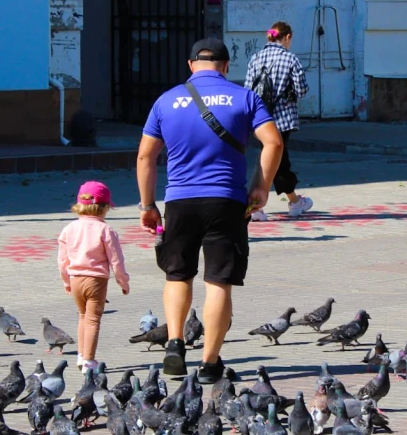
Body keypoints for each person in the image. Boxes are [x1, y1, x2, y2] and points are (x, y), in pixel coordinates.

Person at [136, 37, 283, 383]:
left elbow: (146, 156)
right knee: (218, 282)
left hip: (180, 202)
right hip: (227, 201)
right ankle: (209, 363)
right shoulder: (245, 98)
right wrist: (260, 186)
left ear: (190, 65)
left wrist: (147, 205)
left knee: (177, 274)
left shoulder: (166, 101)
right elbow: (274, 142)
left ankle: (174, 343)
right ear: (226, 66)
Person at [57, 180, 130, 371]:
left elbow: (62, 260)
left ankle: (81, 356)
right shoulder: (106, 230)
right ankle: (89, 360)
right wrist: (123, 282)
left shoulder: (68, 229)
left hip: (75, 278)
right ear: (104, 207)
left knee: (82, 317)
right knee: (93, 320)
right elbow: (116, 261)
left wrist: (66, 281)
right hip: (96, 280)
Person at [244, 21, 311, 221]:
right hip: (282, 120)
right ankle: (259, 204)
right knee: (274, 162)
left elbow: (248, 90)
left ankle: (293, 201)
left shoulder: (256, 58)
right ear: (287, 37)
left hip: (259, 118)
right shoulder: (290, 59)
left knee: (275, 160)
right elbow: (302, 90)